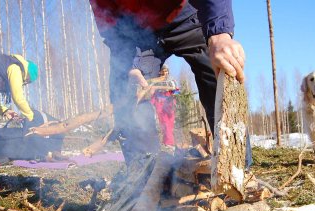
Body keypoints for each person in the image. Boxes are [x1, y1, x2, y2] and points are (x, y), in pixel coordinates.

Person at [89, 0, 247, 165]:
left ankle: (236, 168)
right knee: (124, 87)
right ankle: (142, 174)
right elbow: (104, 11)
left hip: (185, 18)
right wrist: (125, 60)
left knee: (219, 69)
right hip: (134, 30)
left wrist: (219, 34)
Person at [149, 65, 179, 146]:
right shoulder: (156, 81)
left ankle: (169, 144)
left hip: (170, 104)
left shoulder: (172, 80)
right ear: (160, 72)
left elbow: (177, 92)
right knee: (165, 125)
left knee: (170, 125)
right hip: (160, 104)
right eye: (163, 71)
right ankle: (168, 143)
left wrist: (172, 92)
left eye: (166, 71)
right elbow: (152, 94)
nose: (165, 73)